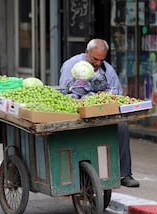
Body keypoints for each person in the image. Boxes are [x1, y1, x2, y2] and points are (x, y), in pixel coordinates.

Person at [59, 39, 140, 188]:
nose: (98, 63)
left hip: (102, 113)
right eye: (95, 59)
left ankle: (125, 174)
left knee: (122, 127)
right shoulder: (72, 65)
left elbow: (116, 95)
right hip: (77, 112)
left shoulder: (108, 70)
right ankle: (75, 173)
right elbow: (64, 92)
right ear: (87, 52)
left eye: (102, 59)